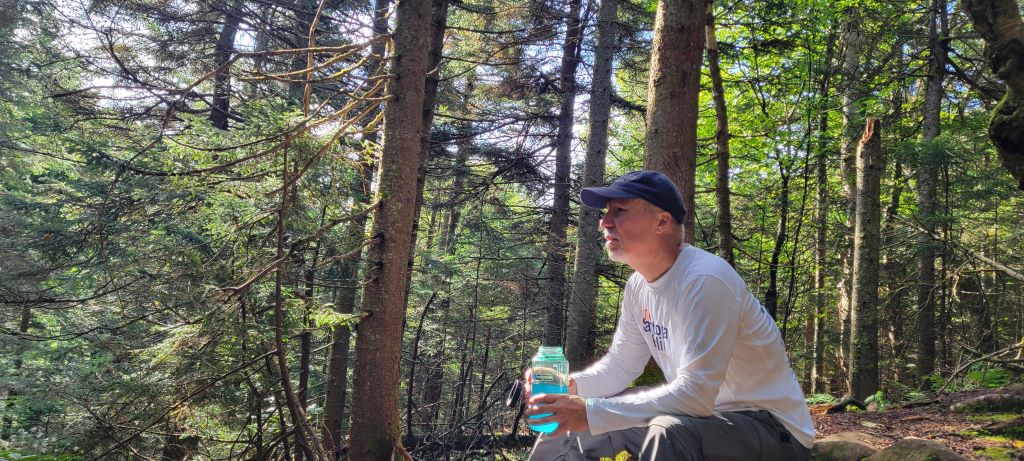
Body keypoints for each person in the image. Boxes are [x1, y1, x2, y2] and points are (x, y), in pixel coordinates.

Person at [523, 171, 814, 460]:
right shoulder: (638, 286)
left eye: (619, 211)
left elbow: (695, 395)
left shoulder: (705, 279)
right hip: (701, 420)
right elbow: (621, 366)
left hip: (772, 430)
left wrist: (590, 412)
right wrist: (572, 386)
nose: (604, 221)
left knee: (664, 430)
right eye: (606, 212)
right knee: (571, 422)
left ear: (662, 222)